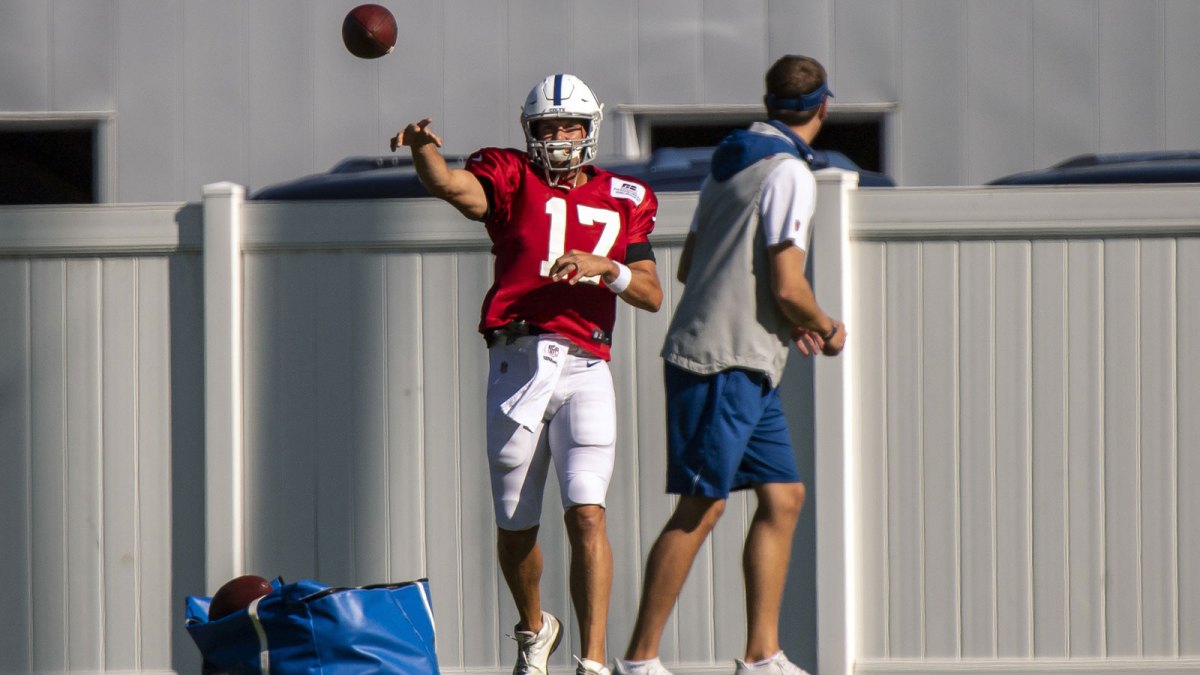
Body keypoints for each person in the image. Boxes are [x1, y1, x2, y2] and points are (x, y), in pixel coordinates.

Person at [391, 73, 663, 675]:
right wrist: (422, 150)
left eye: (569, 125)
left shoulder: (626, 195)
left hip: (588, 362)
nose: (559, 137)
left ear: (589, 130)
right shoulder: (513, 176)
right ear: (529, 131)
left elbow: (650, 293)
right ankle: (534, 627)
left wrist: (603, 266)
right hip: (517, 360)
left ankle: (591, 661)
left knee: (587, 511)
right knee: (516, 526)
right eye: (548, 127)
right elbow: (454, 187)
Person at [612, 55, 847, 675]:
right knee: (702, 505)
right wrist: (825, 326)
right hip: (722, 361)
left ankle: (761, 656)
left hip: (746, 360)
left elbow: (694, 266)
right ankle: (638, 661)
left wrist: (781, 318)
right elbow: (789, 283)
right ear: (824, 107)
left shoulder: (730, 164)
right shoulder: (790, 173)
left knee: (784, 496)